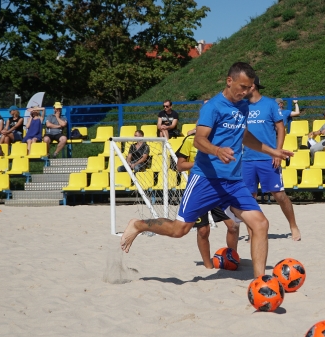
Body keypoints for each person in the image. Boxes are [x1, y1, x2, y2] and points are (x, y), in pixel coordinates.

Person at [120, 62, 294, 278]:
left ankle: (260, 281)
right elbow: (199, 141)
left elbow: (245, 136)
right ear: (229, 81)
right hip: (206, 179)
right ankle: (139, 224)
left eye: (249, 87)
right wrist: (217, 150)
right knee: (179, 230)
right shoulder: (212, 107)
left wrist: (272, 151)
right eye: (242, 86)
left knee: (260, 224)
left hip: (233, 181)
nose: (246, 91)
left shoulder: (243, 106)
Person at [243, 77, 301, 241]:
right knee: (249, 197)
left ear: (252, 86)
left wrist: (277, 151)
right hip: (247, 158)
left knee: (279, 195)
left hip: (267, 158)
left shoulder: (270, 104)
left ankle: (293, 226)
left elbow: (281, 129)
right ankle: (251, 232)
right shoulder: (242, 105)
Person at [175, 123, 240, 269]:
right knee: (203, 230)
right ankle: (208, 265)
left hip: (219, 189)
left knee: (233, 226)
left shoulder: (222, 140)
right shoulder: (190, 140)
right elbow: (180, 166)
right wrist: (198, 164)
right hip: (200, 190)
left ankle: (232, 258)